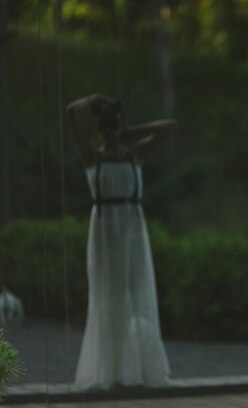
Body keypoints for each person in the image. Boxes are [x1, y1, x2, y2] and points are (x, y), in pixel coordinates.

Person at [66, 94, 176, 390]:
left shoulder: (135, 154)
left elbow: (169, 127)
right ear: (101, 130)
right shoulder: (93, 157)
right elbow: (71, 114)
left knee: (136, 291)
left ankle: (136, 367)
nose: (113, 132)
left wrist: (131, 131)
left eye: (116, 126)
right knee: (108, 296)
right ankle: (111, 369)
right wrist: (91, 100)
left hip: (132, 229)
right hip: (104, 230)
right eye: (108, 127)